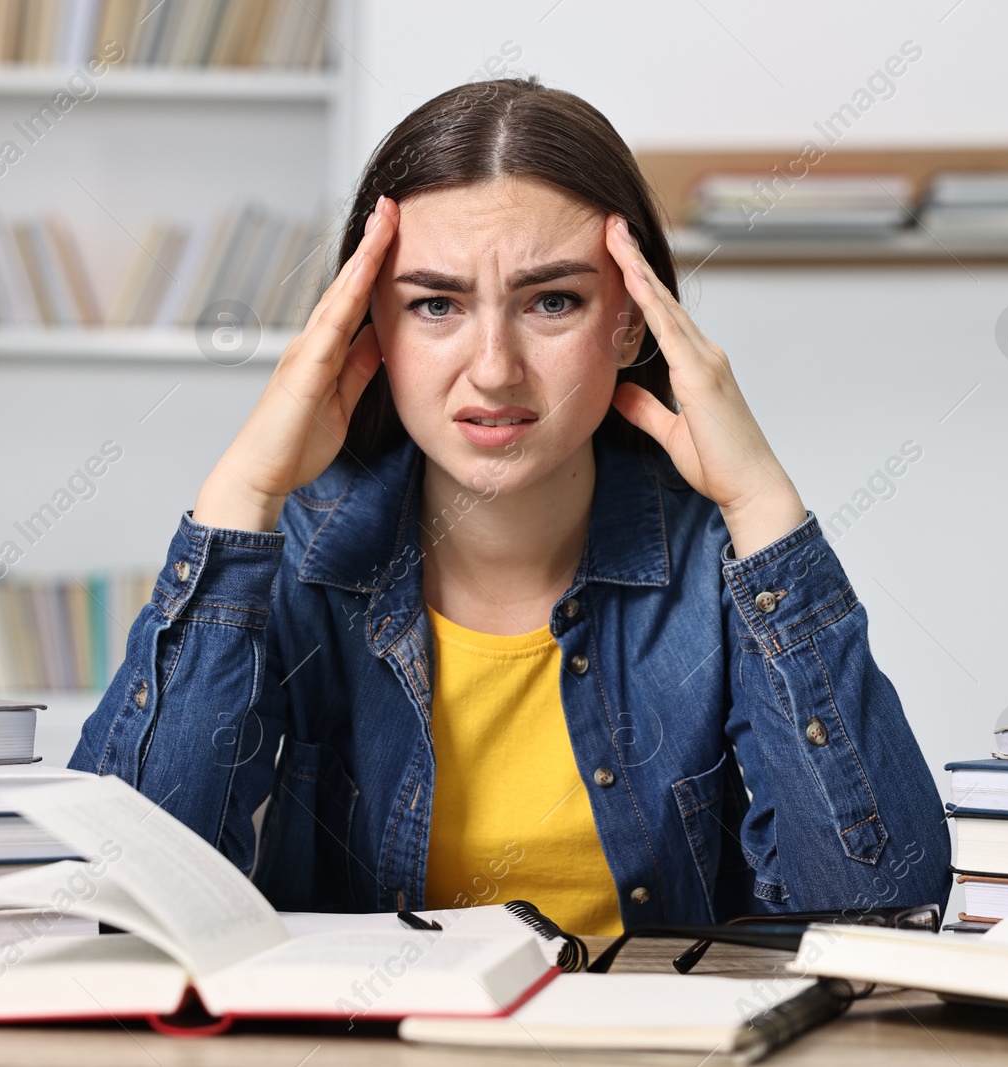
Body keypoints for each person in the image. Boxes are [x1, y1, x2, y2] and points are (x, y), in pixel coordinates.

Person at [70, 75, 949, 935]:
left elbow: (878, 910)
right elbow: (124, 909)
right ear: (366, 327)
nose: (494, 368)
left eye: (553, 300)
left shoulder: (722, 564)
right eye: (436, 304)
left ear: (631, 323)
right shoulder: (302, 557)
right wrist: (242, 496)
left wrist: (762, 503)